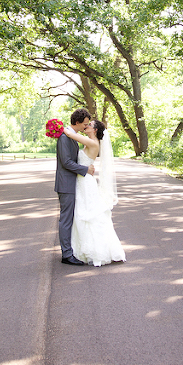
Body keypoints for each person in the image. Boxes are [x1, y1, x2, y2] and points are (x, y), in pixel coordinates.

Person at [63, 119, 126, 267]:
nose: (86, 126)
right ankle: (80, 249)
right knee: (81, 214)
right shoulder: (88, 142)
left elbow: (69, 134)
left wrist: (59, 127)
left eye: (89, 125)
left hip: (85, 183)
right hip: (82, 181)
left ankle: (97, 251)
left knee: (88, 215)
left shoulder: (92, 143)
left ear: (95, 130)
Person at [55, 108, 95, 266]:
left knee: (72, 218)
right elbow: (66, 162)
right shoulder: (65, 137)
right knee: (66, 220)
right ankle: (66, 254)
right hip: (66, 184)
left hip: (73, 183)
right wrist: (85, 170)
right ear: (77, 122)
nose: (86, 127)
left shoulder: (71, 136)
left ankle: (71, 250)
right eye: (84, 124)